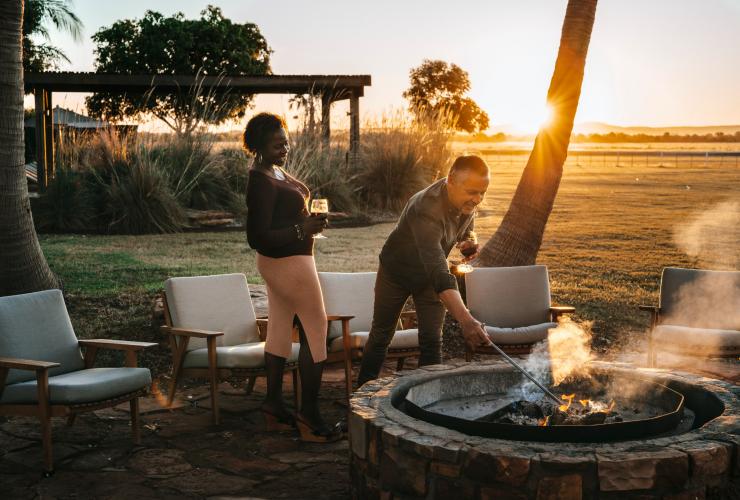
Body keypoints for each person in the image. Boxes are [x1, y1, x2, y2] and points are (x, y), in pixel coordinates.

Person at [244, 112, 340, 442]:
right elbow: (257, 236)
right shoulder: (259, 179)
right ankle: (309, 417)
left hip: (290, 260)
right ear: (258, 145)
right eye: (276, 144)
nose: (284, 147)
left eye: (286, 141)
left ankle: (273, 404)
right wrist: (303, 228)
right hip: (288, 263)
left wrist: (308, 224)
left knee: (282, 326)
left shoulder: (274, 170)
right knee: (316, 328)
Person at [357, 155, 493, 387]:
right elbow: (439, 271)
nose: (478, 199)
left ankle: (427, 397)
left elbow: (467, 228)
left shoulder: (466, 201)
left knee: (432, 340)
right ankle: (359, 395)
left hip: (429, 277)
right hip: (396, 272)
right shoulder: (425, 207)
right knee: (381, 336)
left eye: (482, 192)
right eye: (472, 192)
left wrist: (468, 241)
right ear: (451, 180)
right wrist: (466, 320)